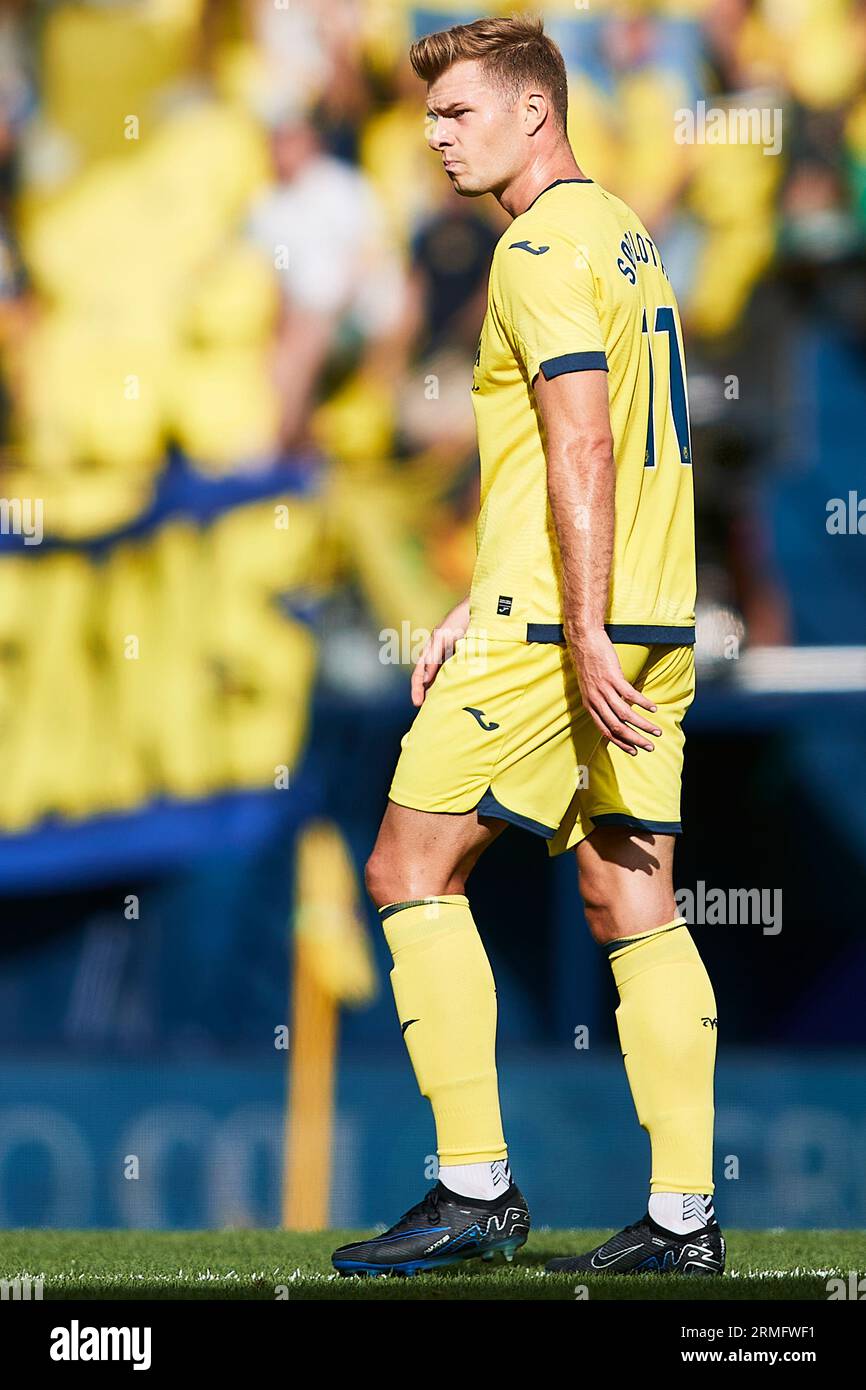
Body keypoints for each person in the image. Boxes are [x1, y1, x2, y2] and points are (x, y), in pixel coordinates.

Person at [332, 14, 722, 1279]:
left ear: (532, 112)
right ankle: (681, 1219)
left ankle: (471, 1185)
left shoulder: (533, 248)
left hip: (571, 625)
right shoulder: (619, 229)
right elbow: (576, 446)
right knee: (628, 892)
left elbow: (582, 443)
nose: (436, 137)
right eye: (431, 116)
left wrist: (573, 621)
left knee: (405, 864)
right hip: (648, 609)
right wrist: (491, 594)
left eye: (456, 114)